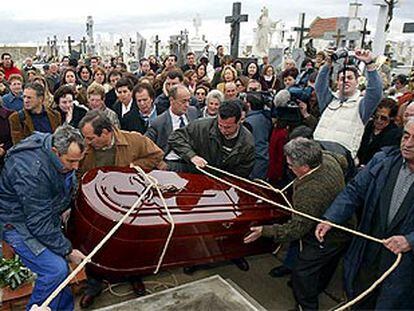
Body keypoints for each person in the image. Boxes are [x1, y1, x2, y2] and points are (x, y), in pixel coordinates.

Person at [315, 118, 414, 310]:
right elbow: (355, 190)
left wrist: (410, 241)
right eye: (406, 136)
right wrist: (331, 218)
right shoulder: (383, 161)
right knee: (360, 298)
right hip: (369, 253)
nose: (407, 144)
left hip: (405, 267)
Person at [244, 138, 352, 310]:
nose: (289, 168)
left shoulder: (310, 192)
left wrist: (265, 231)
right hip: (346, 224)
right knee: (327, 265)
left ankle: (306, 306)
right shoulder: (327, 158)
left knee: (303, 272)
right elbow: (344, 161)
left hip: (328, 236)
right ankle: (318, 288)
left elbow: (296, 229)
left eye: (290, 165)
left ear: (305, 167)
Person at [77, 110, 165, 308]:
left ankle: (134, 276)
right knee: (94, 245)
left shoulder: (134, 140)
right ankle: (94, 284)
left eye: (91, 138)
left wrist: (134, 167)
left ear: (106, 132)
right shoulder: (85, 147)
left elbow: (157, 155)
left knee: (131, 243)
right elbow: (77, 172)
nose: (87, 142)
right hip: (97, 207)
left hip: (129, 204)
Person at [0, 125, 87, 310]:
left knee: (61, 268)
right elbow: (38, 222)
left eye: (79, 160)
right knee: (54, 270)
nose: (76, 166)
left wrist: (65, 206)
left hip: (41, 215)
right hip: (15, 222)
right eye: (71, 161)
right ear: (55, 152)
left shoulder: (54, 148)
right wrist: (67, 250)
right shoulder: (31, 171)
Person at [313, 48, 383, 158]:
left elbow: (376, 93)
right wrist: (328, 63)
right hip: (317, 153)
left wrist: (369, 64)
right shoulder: (330, 101)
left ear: (357, 81)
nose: (345, 81)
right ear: (338, 82)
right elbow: (320, 86)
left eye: (350, 78)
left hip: (341, 158)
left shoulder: (361, 105)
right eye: (342, 79)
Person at [168, 99, 255, 178]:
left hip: (226, 184)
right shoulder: (201, 126)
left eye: (228, 127)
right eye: (220, 125)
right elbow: (175, 137)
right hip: (198, 177)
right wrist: (191, 156)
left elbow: (243, 172)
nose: (223, 130)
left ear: (239, 121)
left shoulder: (247, 142)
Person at [145, 85, 199, 171]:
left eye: (189, 101)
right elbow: (145, 145)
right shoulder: (158, 122)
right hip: (170, 164)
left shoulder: (193, 112)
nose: (187, 105)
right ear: (171, 100)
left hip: (193, 163)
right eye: (183, 101)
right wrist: (159, 163)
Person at [357, 98, 402, 166]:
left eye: (383, 118)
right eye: (376, 116)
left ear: (392, 118)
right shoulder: (368, 125)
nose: (378, 120)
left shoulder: (394, 134)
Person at [244, 92, 272, 179]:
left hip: (255, 160)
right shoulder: (266, 117)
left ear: (248, 104)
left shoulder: (248, 122)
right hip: (264, 158)